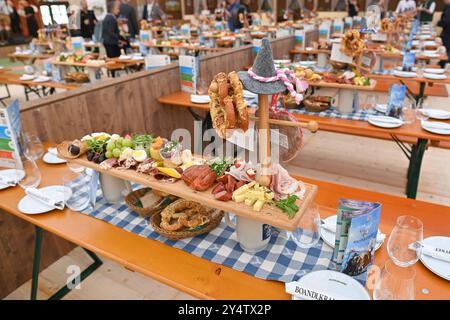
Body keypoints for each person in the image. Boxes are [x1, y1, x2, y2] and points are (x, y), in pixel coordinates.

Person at [438, 0, 450, 67]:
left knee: (447, 55)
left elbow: (446, 21)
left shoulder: (449, 7)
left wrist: (439, 23)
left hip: (448, 35)